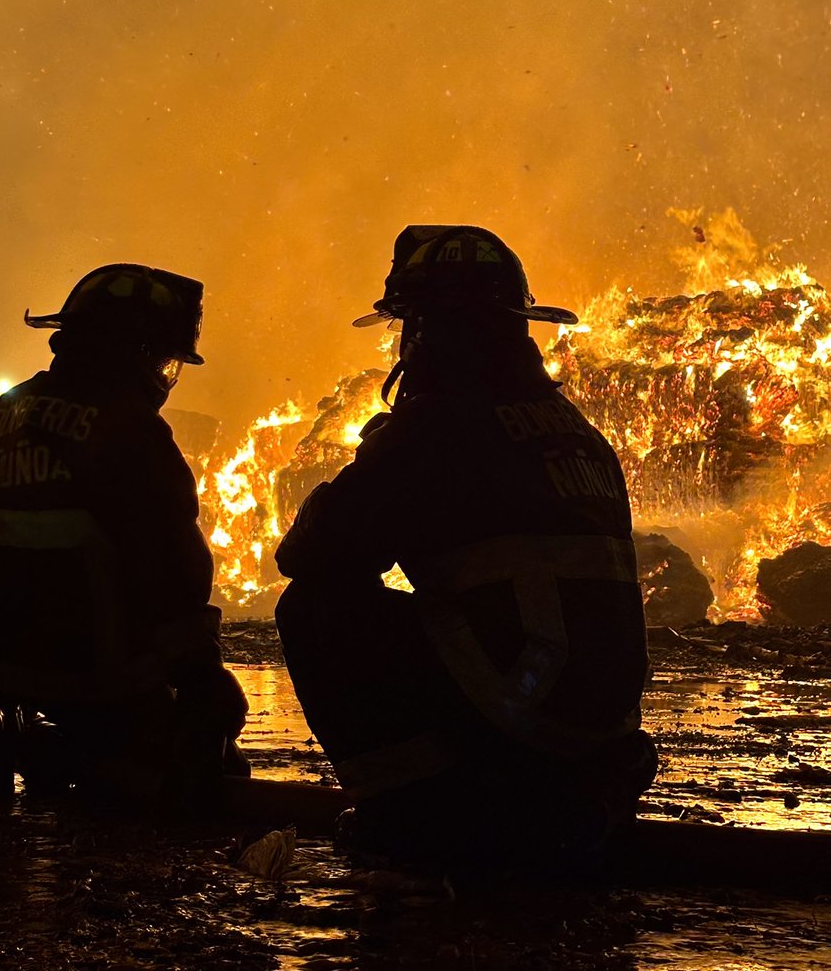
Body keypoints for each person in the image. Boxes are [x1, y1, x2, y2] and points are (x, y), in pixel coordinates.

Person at [275, 225, 656, 869]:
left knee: (315, 608)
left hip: (522, 713)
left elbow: (313, 554)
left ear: (420, 331)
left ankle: (416, 806)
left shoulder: (439, 427)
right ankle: (561, 788)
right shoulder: (579, 432)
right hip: (601, 725)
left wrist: (376, 458)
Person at [0, 264, 248, 805]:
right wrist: (204, 689)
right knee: (217, 744)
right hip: (93, 675)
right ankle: (107, 756)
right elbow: (177, 577)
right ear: (141, 356)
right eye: (165, 361)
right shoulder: (137, 434)